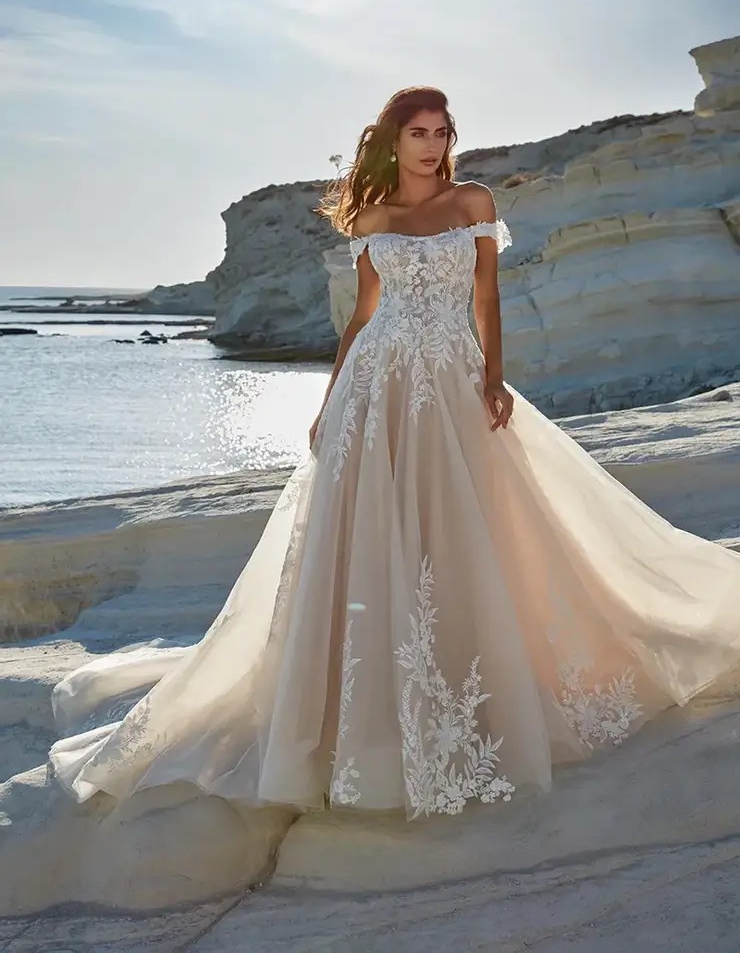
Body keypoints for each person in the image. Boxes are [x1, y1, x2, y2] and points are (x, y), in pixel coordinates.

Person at [48, 86, 740, 822]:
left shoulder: (474, 202)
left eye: (442, 132)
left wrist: (494, 377)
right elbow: (362, 320)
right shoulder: (371, 219)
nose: (432, 145)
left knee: (477, 524)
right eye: (418, 132)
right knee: (371, 538)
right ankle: (366, 705)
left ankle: (481, 678)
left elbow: (486, 301)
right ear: (393, 139)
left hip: (449, 380)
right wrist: (328, 402)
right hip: (372, 391)